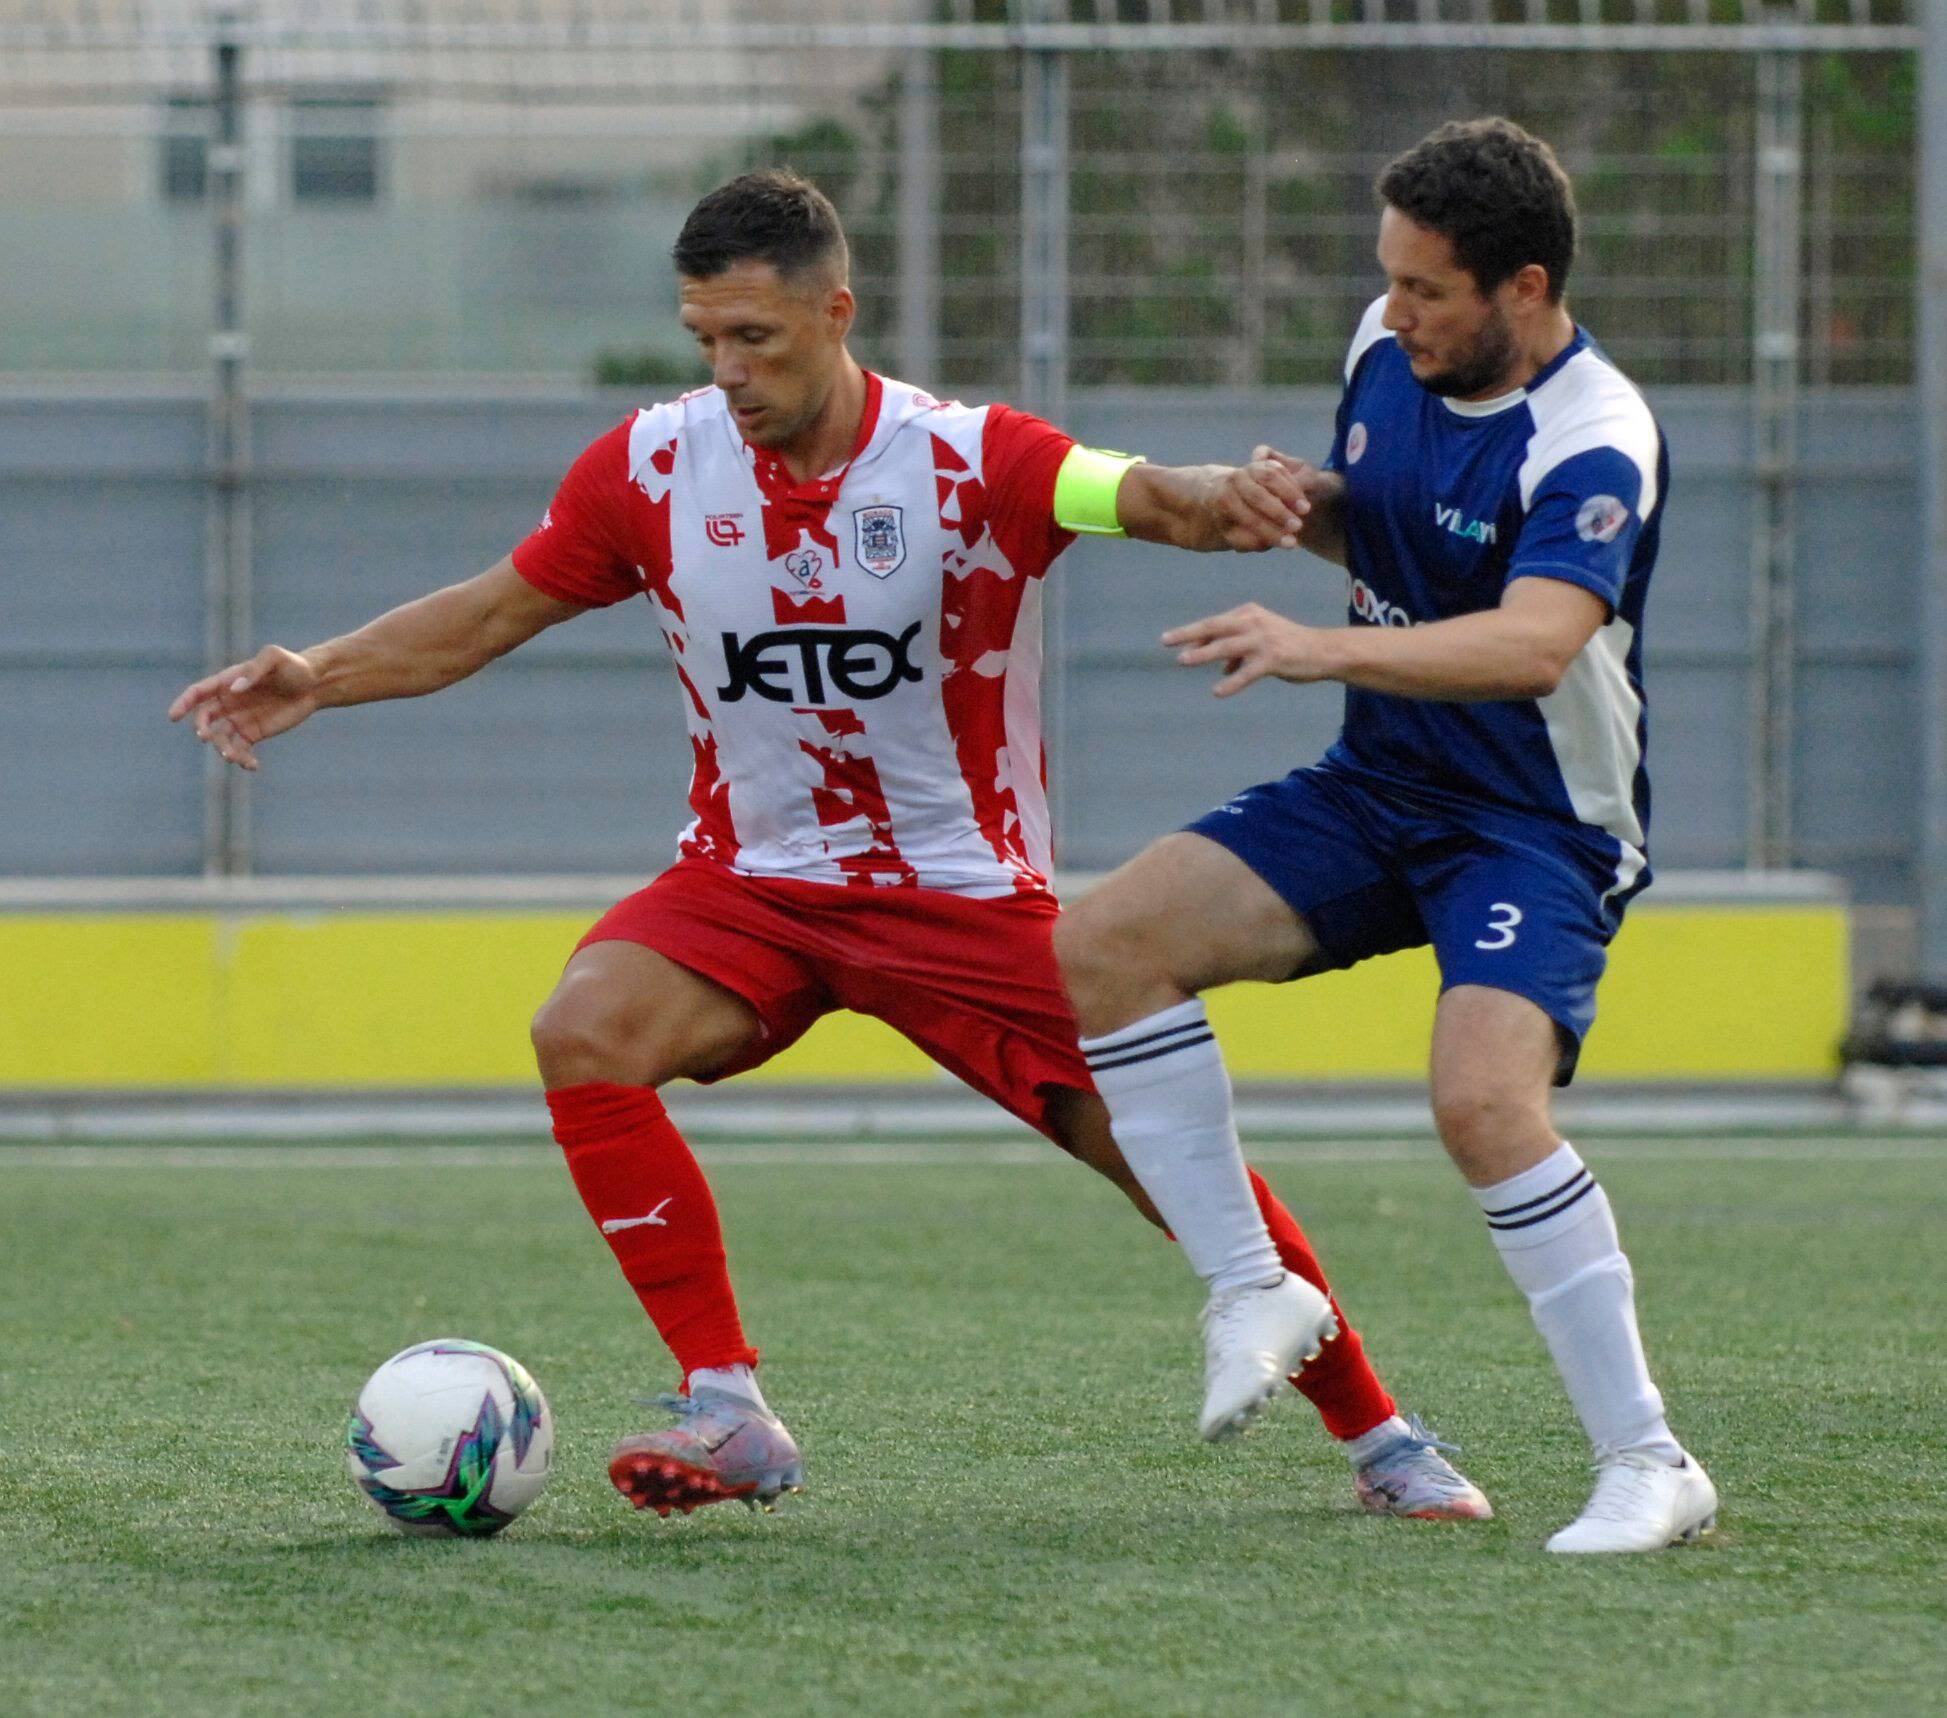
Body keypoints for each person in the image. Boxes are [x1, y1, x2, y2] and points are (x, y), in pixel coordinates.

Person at [169, 169, 1485, 1523]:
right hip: (749, 884)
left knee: (1163, 1154)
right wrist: (319, 673)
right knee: (585, 1029)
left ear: (836, 312)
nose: (728, 370)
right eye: (706, 340)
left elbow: (1139, 492)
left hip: (957, 896)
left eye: (757, 338)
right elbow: (495, 611)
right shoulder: (652, 466)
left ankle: (1383, 1436)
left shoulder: (970, 457)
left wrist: (1230, 497)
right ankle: (726, 1398)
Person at [1054, 118, 1714, 1554]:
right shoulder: (1385, 346)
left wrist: (1314, 648)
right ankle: (1253, 1283)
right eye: (1390, 280)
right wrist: (1307, 512)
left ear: (1522, 288)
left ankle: (1650, 1459)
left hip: (1535, 824)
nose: (1395, 309)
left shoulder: (1597, 435)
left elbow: (1537, 640)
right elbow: (1404, 533)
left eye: (1427, 290)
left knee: (1483, 1104)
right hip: (1381, 785)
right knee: (1106, 943)